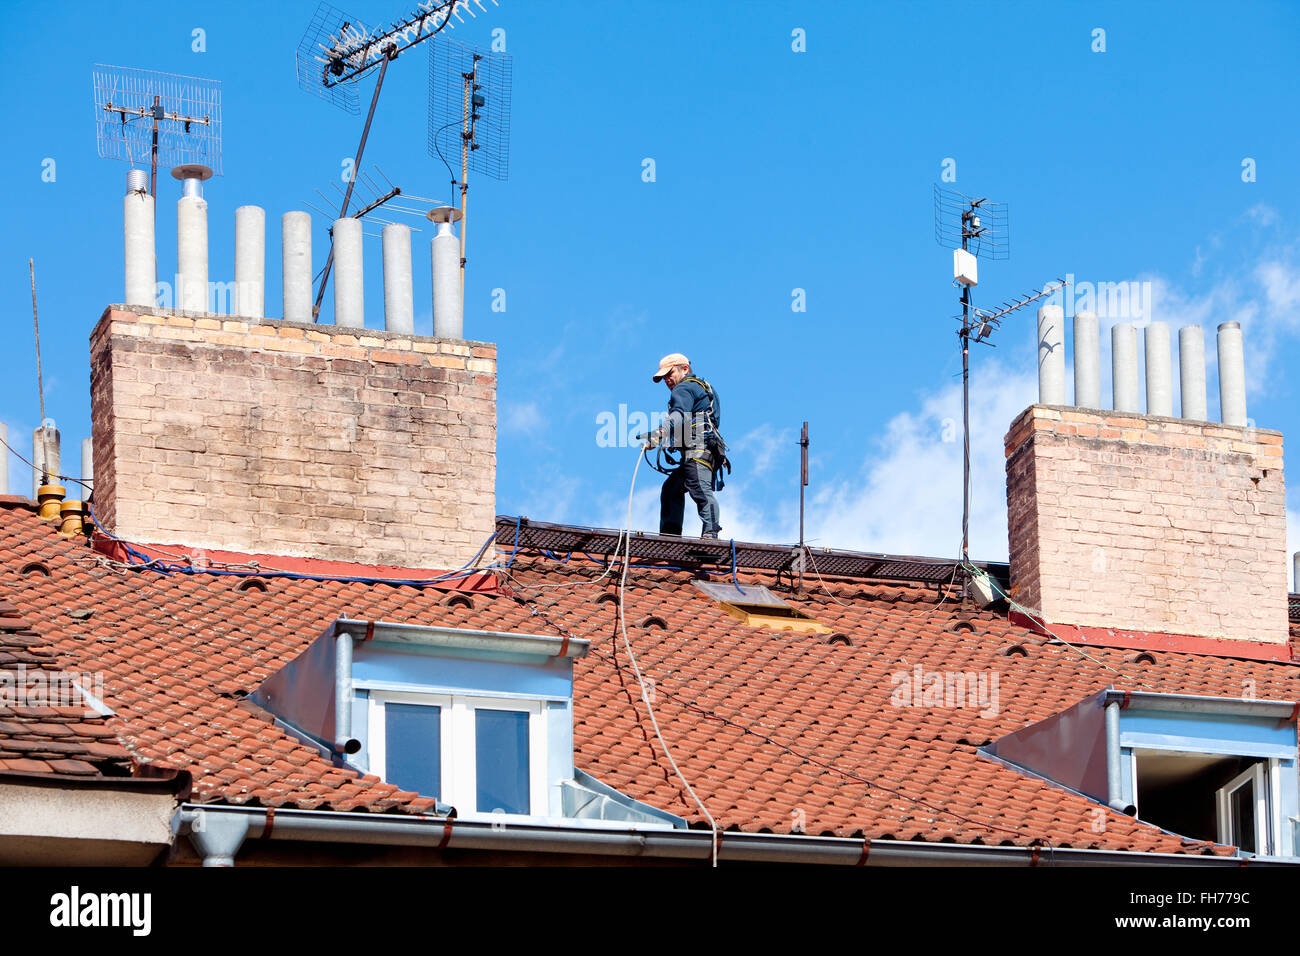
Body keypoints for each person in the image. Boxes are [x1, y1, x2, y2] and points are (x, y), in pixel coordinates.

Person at [647, 353, 724, 539]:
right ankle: (670, 538)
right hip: (705, 451)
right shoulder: (703, 387)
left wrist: (659, 433)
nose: (667, 380)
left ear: (685, 369)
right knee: (672, 488)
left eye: (669, 373)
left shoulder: (683, 389)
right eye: (663, 377)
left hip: (698, 451)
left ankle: (710, 536)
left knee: (699, 488)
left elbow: (678, 416)